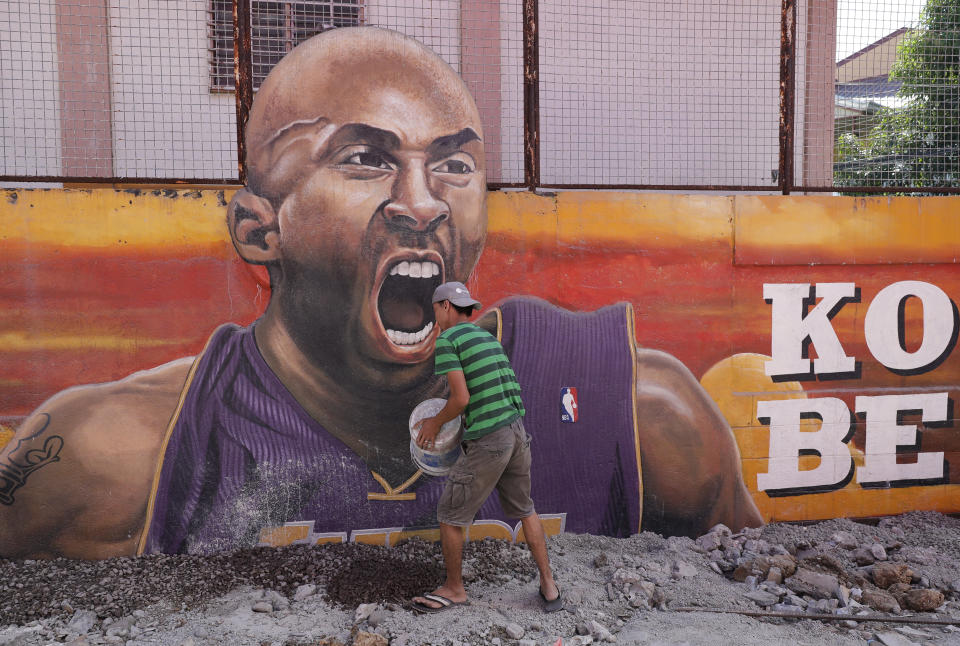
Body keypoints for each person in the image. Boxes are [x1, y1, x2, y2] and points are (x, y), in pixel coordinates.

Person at [0, 26, 761, 560]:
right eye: (366, 159)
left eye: (455, 166)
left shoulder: (638, 418)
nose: (424, 203)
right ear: (260, 231)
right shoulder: (111, 459)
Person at [409, 282, 561, 613]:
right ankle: (549, 586)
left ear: (446, 306)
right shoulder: (485, 338)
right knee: (525, 509)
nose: (435, 316)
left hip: (491, 439)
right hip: (517, 432)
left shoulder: (448, 340)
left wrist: (434, 423)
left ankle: (454, 589)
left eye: (436, 309)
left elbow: (461, 399)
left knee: (449, 517)